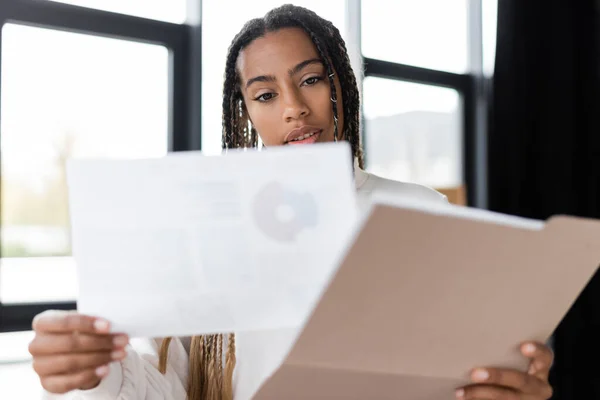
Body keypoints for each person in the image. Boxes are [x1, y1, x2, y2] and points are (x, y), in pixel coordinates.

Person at [30, 4, 554, 400]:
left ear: (342, 86)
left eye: (310, 80)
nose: (295, 109)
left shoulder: (422, 213)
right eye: (266, 95)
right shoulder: (207, 230)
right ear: (246, 115)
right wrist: (95, 369)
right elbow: (160, 387)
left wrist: (509, 379)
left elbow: (471, 367)